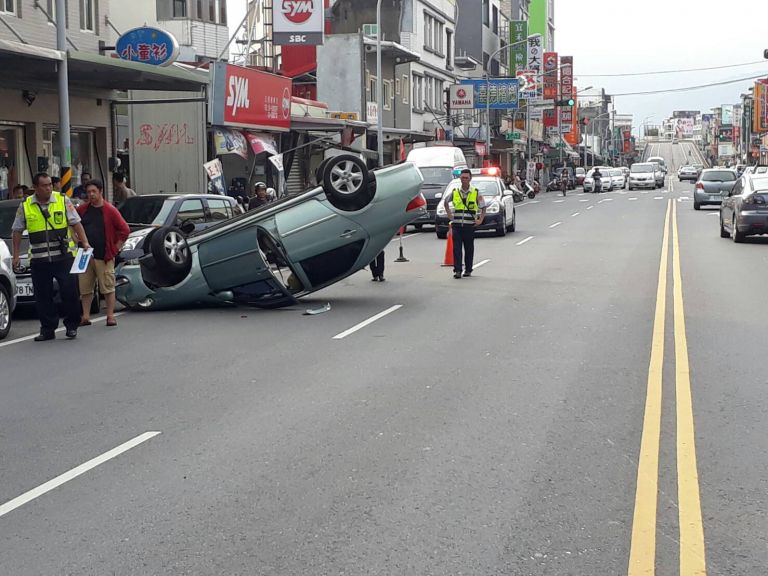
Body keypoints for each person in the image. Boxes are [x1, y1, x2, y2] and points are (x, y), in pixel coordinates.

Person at [11, 172, 91, 341]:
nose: (49, 188)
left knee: (69, 293)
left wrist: (85, 243)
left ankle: (71, 326)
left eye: (50, 185)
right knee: (43, 296)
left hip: (64, 257)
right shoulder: (25, 205)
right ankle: (47, 329)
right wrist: (16, 256)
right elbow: (17, 231)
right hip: (39, 260)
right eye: (44, 185)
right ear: (35, 188)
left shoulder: (62, 200)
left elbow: (75, 223)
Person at [76, 178, 130, 327]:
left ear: (101, 192)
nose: (91, 194)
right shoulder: (82, 210)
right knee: (85, 287)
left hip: (104, 254)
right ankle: (85, 316)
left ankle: (110, 316)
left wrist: (115, 248)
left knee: (107, 285)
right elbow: (73, 223)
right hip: (85, 254)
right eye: (88, 192)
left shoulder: (110, 210)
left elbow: (124, 230)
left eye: (94, 191)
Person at [443, 169, 486, 279]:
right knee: (456, 249)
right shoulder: (455, 192)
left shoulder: (476, 192)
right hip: (457, 225)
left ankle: (468, 269)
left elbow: (483, 207)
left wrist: (480, 220)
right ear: (460, 179)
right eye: (462, 178)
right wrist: (449, 215)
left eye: (466, 178)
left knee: (469, 248)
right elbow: (445, 202)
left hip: (469, 226)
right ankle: (457, 270)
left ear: (470, 179)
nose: (464, 180)